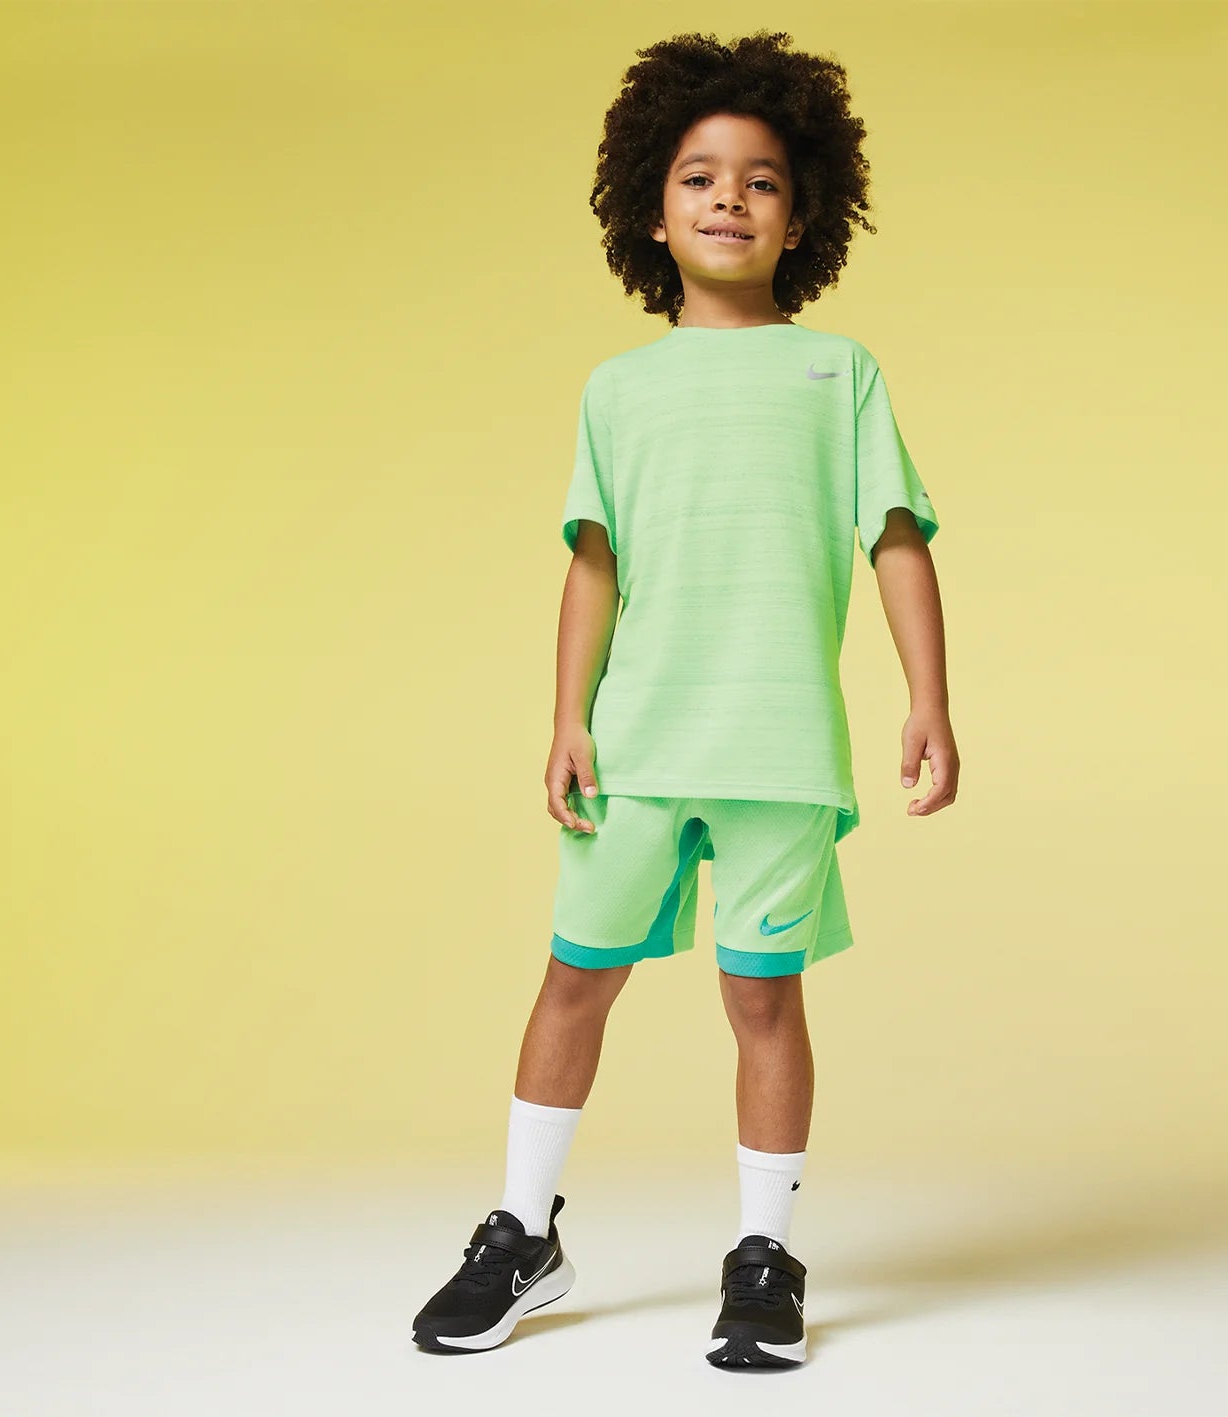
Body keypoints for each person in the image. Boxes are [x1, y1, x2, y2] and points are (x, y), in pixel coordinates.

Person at [412, 29, 955, 1369]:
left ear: (802, 215)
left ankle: (763, 1258)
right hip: (640, 743)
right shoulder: (619, 389)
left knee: (763, 1000)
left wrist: (928, 700)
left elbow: (895, 539)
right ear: (650, 212)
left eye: (761, 180)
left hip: (781, 747)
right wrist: (567, 717)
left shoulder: (839, 373)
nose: (728, 199)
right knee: (574, 979)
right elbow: (592, 563)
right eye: (699, 177)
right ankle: (520, 1232)